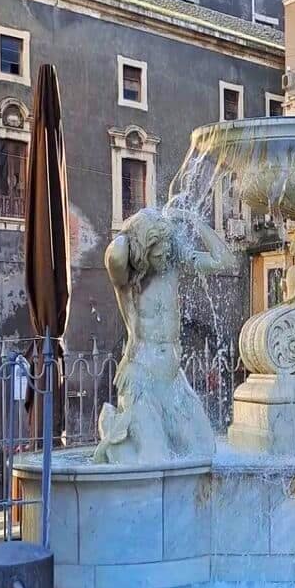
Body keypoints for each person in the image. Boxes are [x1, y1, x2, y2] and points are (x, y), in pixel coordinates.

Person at [94, 198, 235, 465]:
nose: (164, 258)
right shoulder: (128, 278)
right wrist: (135, 230)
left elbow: (224, 261)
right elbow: (116, 252)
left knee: (204, 451)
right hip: (141, 375)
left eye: (167, 251)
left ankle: (121, 430)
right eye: (157, 254)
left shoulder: (171, 257)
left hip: (172, 378)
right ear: (143, 251)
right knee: (155, 459)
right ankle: (114, 429)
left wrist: (194, 220)